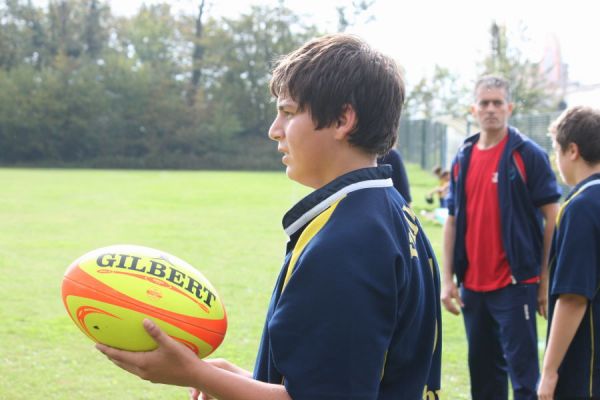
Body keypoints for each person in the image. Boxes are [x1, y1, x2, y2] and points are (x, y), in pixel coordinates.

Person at [95, 33, 442, 400]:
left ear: (343, 119)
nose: (274, 130)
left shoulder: (346, 245)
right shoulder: (391, 211)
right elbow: (340, 379)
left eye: (288, 113)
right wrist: (238, 379)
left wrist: (192, 373)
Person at [440, 75, 561, 400]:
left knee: (524, 381)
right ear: (473, 109)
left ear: (510, 107)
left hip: (515, 286)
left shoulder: (528, 155)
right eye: (484, 103)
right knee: (483, 377)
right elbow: (451, 220)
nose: (491, 109)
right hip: (472, 288)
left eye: (497, 103)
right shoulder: (462, 158)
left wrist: (544, 277)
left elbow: (553, 217)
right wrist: (447, 278)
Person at [538, 106, 600, 399]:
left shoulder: (582, 207)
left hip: (587, 370)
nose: (556, 159)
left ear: (572, 150)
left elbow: (574, 297)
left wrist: (549, 372)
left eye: (556, 150)